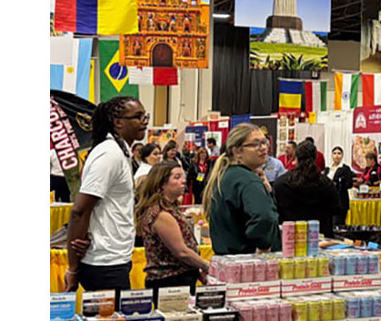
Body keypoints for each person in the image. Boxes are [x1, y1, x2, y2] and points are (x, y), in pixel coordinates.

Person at [64, 96, 147, 294]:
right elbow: (80, 211)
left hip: (115, 258)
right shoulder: (109, 154)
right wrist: (73, 269)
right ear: (118, 122)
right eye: (138, 116)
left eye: (145, 116)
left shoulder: (121, 152)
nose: (144, 121)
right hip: (104, 263)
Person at [136, 161, 209, 302]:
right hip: (171, 282)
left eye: (183, 177)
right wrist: (206, 265)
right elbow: (181, 251)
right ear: (162, 183)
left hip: (179, 279)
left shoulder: (170, 208)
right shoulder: (161, 214)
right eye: (177, 177)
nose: (183, 181)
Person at [204, 124, 281, 254]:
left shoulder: (225, 175)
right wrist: (263, 245)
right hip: (246, 261)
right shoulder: (247, 180)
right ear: (237, 151)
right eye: (255, 144)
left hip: (226, 260)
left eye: (264, 142)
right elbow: (264, 217)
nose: (263, 148)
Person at [273, 141, 341, 237]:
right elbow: (336, 209)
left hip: (290, 238)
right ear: (316, 158)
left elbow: (275, 212)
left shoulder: (281, 183)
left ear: (295, 157)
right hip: (320, 238)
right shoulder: (327, 184)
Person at [326, 146, 353, 227]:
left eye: (339, 153)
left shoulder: (345, 168)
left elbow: (349, 184)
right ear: (331, 155)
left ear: (342, 155)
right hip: (328, 200)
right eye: (334, 153)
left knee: (339, 223)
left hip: (340, 200)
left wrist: (338, 183)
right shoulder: (328, 169)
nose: (336, 155)